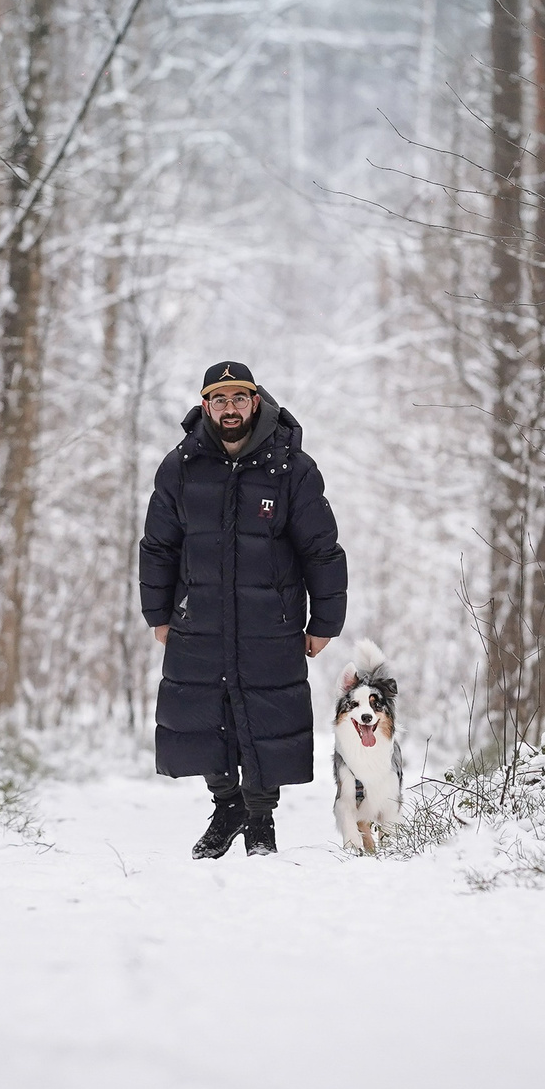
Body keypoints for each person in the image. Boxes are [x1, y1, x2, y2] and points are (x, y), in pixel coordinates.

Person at [138, 360, 347, 857]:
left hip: (268, 621)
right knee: (205, 713)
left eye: (238, 399)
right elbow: (158, 546)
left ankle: (260, 818)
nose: (228, 409)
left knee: (264, 713)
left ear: (256, 402)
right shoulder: (180, 466)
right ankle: (227, 805)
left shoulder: (292, 468)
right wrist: (159, 614)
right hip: (198, 617)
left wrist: (324, 623)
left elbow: (321, 548)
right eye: (218, 399)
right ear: (205, 405)